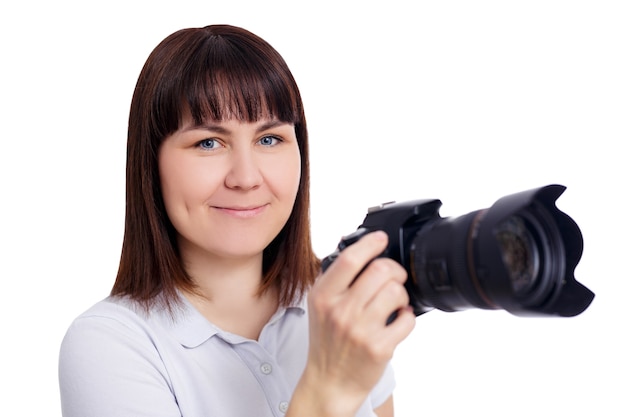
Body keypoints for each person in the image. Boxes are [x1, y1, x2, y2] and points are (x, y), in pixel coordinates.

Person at [58, 24, 415, 417]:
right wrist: (329, 386)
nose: (245, 178)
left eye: (269, 139)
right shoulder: (109, 345)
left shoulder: (337, 304)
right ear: (150, 164)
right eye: (208, 143)